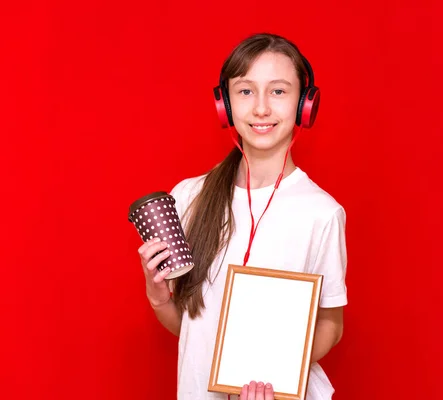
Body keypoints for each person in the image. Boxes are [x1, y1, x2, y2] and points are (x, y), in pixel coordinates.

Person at [137, 33, 348, 400]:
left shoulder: (322, 213)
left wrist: (276, 372)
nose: (261, 108)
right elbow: (190, 329)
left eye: (279, 91)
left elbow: (331, 324)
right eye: (246, 91)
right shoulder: (188, 197)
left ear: (304, 104)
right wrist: (158, 297)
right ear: (225, 105)